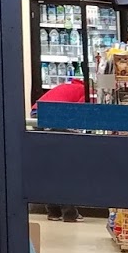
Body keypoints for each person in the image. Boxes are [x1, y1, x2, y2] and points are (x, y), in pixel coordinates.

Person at [37, 76, 87, 220]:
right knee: (65, 169)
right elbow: (82, 112)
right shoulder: (83, 90)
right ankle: (70, 213)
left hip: (38, 115)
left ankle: (53, 212)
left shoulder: (68, 86)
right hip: (54, 119)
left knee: (51, 169)